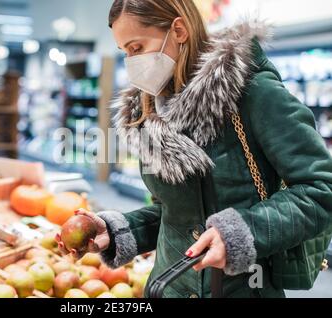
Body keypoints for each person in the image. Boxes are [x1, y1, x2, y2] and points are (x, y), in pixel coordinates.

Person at [56, 0, 332, 298]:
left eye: (137, 48)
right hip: (169, 285)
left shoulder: (253, 94)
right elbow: (177, 215)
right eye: (124, 52)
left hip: (243, 286)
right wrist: (119, 231)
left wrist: (243, 232)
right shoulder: (148, 112)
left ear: (178, 30)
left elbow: (321, 188)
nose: (131, 62)